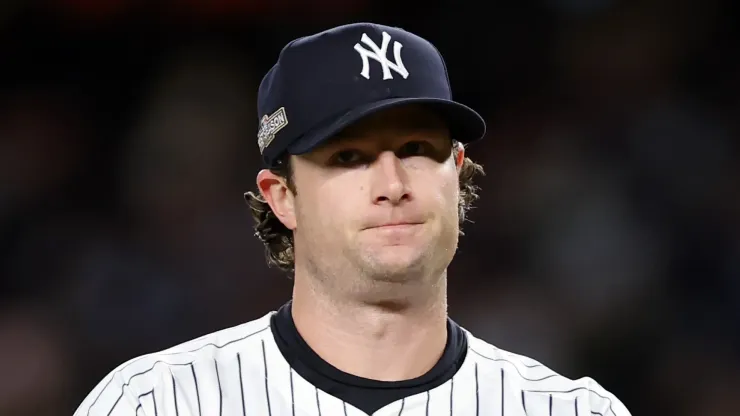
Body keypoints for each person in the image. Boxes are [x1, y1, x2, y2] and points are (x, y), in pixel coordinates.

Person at [74, 22, 632, 416]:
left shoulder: (571, 410)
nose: (392, 186)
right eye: (348, 157)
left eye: (417, 148)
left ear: (457, 171)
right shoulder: (161, 403)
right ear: (281, 196)